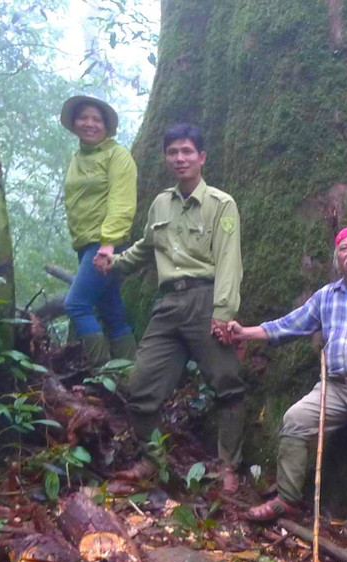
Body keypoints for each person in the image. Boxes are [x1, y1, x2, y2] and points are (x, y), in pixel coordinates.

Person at [229, 227, 347, 562]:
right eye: (344, 249)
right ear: (337, 259)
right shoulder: (328, 295)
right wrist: (246, 332)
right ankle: (286, 498)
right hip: (336, 386)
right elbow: (290, 324)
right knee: (296, 420)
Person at [96, 124, 244, 493]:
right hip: (167, 304)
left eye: (187, 151)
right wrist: (115, 264)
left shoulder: (221, 204)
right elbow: (147, 246)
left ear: (202, 157)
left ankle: (229, 466)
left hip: (204, 299)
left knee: (227, 384)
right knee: (142, 387)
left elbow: (229, 261)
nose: (180, 158)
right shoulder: (161, 203)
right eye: (173, 152)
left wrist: (223, 313)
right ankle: (152, 460)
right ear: (165, 158)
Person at [59, 95, 138, 368]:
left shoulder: (117, 155)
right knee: (111, 311)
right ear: (74, 122)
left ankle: (101, 373)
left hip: (105, 244)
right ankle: (128, 373)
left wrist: (108, 246)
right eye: (83, 117)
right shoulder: (77, 158)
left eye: (96, 119)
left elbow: (122, 201)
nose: (89, 124)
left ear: (106, 126)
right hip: (85, 245)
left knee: (77, 305)